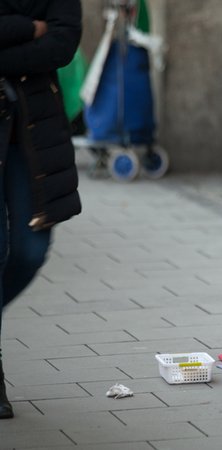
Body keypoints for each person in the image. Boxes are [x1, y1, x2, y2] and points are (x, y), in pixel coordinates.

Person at [0, 0, 83, 419]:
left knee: (29, 251)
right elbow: (42, 38)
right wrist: (25, 27)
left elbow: (62, 44)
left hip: (30, 137)